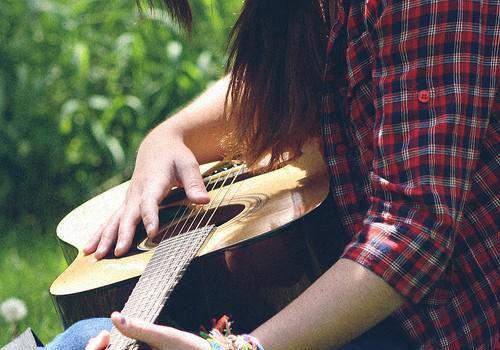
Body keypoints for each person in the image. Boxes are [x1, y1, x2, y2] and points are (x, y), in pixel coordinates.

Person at [42, 0, 499, 349]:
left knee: (85, 335)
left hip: (437, 328)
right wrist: (170, 135)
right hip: (371, 310)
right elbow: (298, 79)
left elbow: (415, 235)